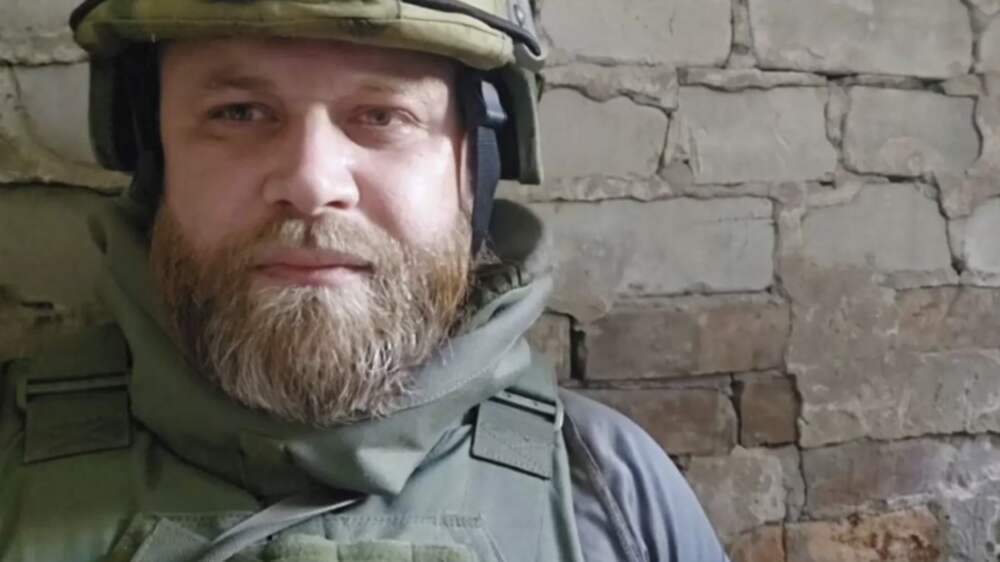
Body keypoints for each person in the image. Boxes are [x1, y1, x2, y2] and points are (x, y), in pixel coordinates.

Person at [0, 1, 729, 560]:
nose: (312, 183)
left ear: (474, 165)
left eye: (382, 115)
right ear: (154, 158)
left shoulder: (613, 495)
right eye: (239, 112)